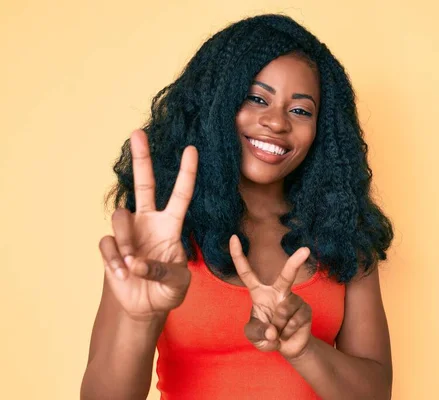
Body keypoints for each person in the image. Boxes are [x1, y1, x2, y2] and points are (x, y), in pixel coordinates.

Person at [80, 13, 394, 400]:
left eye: (300, 110)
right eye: (257, 98)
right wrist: (138, 320)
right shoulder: (160, 233)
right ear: (216, 104)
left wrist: (303, 348)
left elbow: (375, 392)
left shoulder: (344, 230)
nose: (276, 122)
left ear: (323, 130)